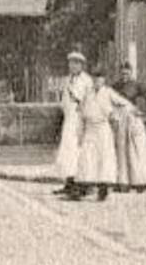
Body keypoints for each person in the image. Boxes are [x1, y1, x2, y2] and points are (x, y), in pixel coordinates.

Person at [70, 73, 133, 201]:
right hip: (90, 129)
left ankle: (103, 188)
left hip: (103, 128)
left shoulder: (108, 92)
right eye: (95, 78)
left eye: (100, 78)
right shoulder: (88, 93)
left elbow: (125, 104)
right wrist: (79, 132)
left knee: (104, 158)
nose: (97, 81)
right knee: (87, 157)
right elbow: (81, 110)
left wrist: (116, 115)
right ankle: (83, 187)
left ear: (104, 80)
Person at [112, 62, 146, 193]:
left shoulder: (137, 85)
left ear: (131, 73)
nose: (124, 76)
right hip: (119, 120)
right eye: (122, 73)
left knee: (136, 150)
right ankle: (122, 182)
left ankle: (139, 181)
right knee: (120, 151)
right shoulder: (115, 87)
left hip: (133, 119)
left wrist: (142, 111)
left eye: (127, 73)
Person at [55, 51, 91, 197]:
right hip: (69, 119)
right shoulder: (68, 79)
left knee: (78, 152)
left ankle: (81, 185)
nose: (72, 66)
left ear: (81, 65)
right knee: (67, 153)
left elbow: (84, 100)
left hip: (79, 119)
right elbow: (64, 101)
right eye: (70, 63)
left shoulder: (86, 80)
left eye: (76, 63)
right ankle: (69, 182)